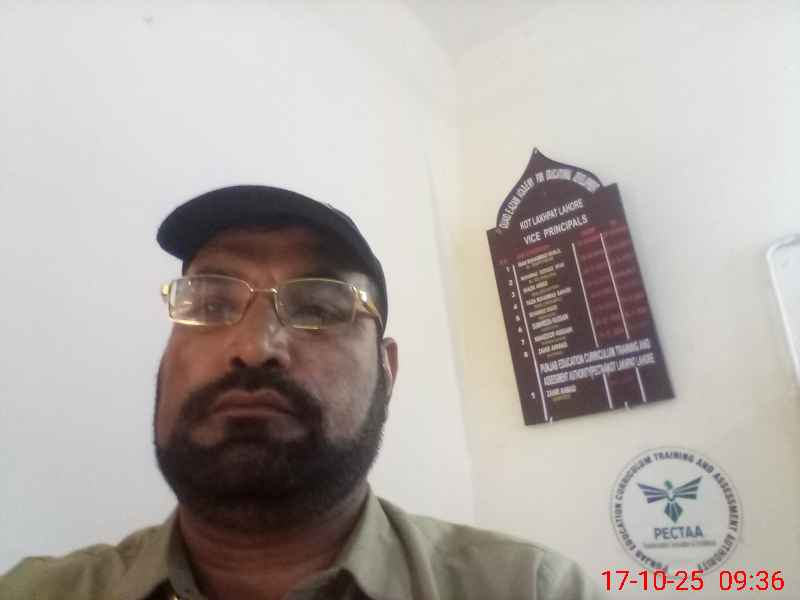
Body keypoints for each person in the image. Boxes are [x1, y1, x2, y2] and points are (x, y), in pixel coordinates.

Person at [0, 186, 598, 600]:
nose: (255, 346)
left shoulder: (533, 589)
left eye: (318, 307)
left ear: (387, 371)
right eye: (211, 303)